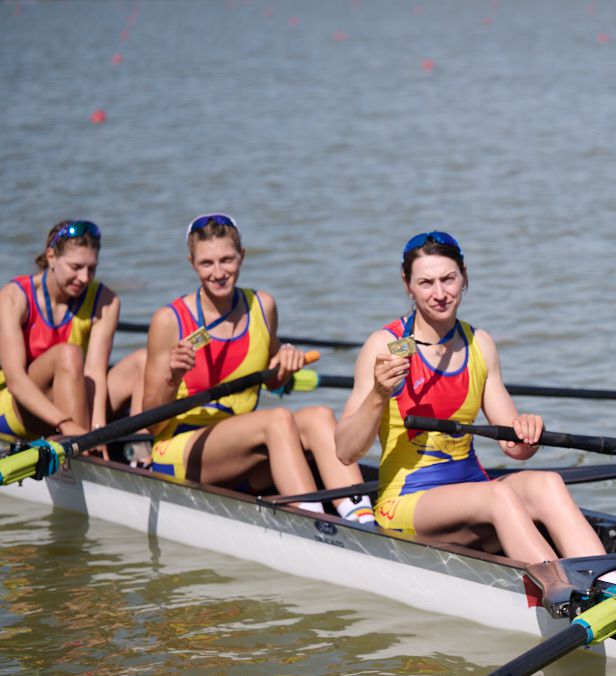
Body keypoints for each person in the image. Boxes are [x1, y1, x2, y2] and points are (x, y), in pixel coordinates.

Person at [334, 231, 615, 568]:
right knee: (499, 495)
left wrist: (528, 430)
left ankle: (613, 590)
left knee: (547, 482)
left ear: (464, 276)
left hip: (475, 489)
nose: (439, 294)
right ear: (407, 284)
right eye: (426, 283)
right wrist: (379, 395)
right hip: (406, 502)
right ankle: (564, 592)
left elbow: (515, 448)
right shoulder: (385, 346)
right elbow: (345, 451)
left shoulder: (479, 343)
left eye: (448, 279)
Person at [141, 213, 374, 524]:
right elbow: (152, 425)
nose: (219, 272)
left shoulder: (262, 306)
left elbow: (274, 383)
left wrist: (285, 366)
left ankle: (363, 520)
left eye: (227, 260)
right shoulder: (169, 321)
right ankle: (315, 525)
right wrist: (173, 377)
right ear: (191, 263)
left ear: (243, 256)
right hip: (180, 451)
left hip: (246, 446)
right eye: (206, 263)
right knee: (277, 420)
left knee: (319, 416)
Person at [0, 220, 139, 445]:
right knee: (69, 354)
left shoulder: (106, 301)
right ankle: (79, 445)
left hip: (72, 402)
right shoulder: (14, 297)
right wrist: (66, 424)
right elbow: (15, 380)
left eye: (91, 268)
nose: (84, 278)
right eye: (76, 267)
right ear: (52, 257)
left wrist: (97, 431)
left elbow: (95, 373)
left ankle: (135, 451)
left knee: (139, 361)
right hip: (16, 410)